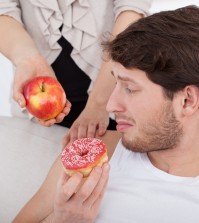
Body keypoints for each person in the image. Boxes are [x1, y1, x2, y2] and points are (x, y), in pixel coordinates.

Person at [12, 5, 199, 223]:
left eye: (129, 88)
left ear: (187, 101)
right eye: (115, 83)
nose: (110, 106)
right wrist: (61, 220)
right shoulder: (94, 153)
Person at [0, 1, 151, 144]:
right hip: (34, 112)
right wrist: (28, 60)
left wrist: (99, 102)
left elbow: (132, 11)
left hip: (114, 100)